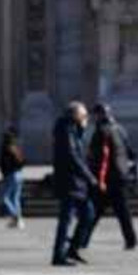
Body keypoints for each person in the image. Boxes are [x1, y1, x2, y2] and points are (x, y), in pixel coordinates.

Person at [81, 103, 138, 250]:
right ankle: (131, 239)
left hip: (107, 178)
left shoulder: (101, 131)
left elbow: (101, 158)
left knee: (94, 211)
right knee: (122, 211)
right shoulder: (120, 129)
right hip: (121, 176)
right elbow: (130, 152)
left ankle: (82, 239)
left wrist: (98, 178)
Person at [51, 101, 97, 266]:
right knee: (66, 220)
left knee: (88, 215)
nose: (86, 119)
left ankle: (72, 249)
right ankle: (58, 255)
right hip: (70, 182)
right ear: (75, 115)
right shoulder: (66, 130)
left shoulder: (73, 130)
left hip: (77, 183)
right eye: (83, 115)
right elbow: (73, 157)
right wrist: (90, 177)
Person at [0, 126, 26, 228]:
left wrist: (4, 172)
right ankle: (17, 221)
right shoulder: (16, 148)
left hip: (11, 175)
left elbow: (3, 164)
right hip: (19, 174)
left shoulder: (6, 149)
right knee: (15, 198)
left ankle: (16, 217)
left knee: (4, 197)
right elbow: (23, 161)